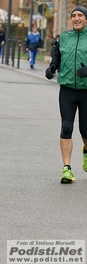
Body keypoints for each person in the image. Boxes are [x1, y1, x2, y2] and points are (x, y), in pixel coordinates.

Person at [45, 6, 87, 184]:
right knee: (66, 127)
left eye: (80, 15)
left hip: (86, 91)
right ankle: (67, 169)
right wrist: (52, 67)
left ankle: (86, 151)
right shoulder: (63, 37)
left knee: (85, 130)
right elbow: (57, 56)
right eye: (74, 16)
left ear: (86, 19)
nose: (76, 18)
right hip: (67, 90)